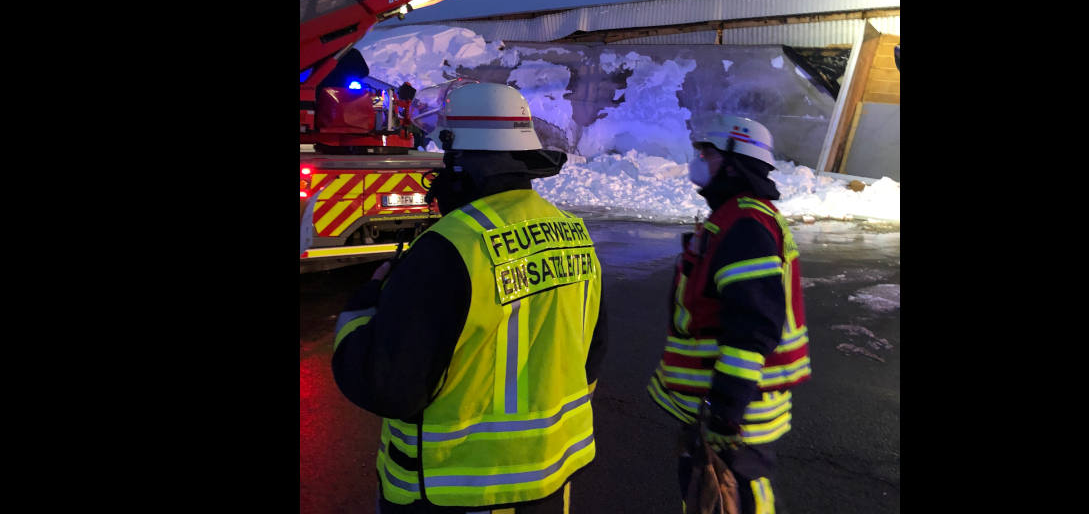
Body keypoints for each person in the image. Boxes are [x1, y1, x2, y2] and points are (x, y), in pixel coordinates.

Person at [332, 82, 607, 513]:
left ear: (460, 160)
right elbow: (589, 355)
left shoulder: (450, 247)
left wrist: (360, 310)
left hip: (455, 492)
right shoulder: (574, 233)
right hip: (550, 482)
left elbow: (387, 386)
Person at [646, 114, 812, 514]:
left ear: (735, 163)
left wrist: (725, 411)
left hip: (736, 413)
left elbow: (752, 328)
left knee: (735, 499)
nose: (698, 160)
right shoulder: (735, 216)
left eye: (708, 153)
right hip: (724, 406)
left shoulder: (745, 224)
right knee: (710, 496)